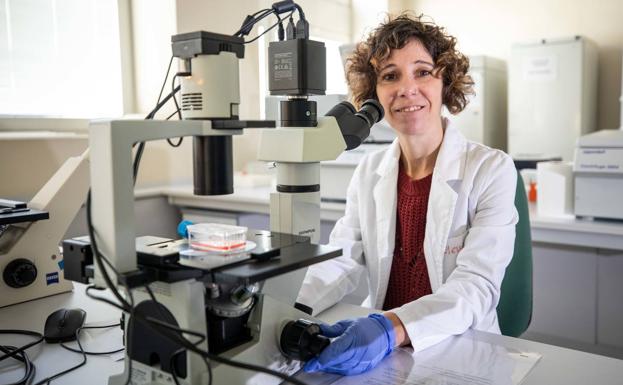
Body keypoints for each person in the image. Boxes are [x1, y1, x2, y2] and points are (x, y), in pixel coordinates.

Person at [296, 13, 518, 376]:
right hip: (383, 356)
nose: (406, 88)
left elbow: (477, 286)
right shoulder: (369, 172)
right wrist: (292, 308)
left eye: (423, 71)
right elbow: (342, 260)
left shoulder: (490, 169)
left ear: (445, 81)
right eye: (389, 76)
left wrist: (391, 328)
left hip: (460, 348)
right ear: (374, 94)